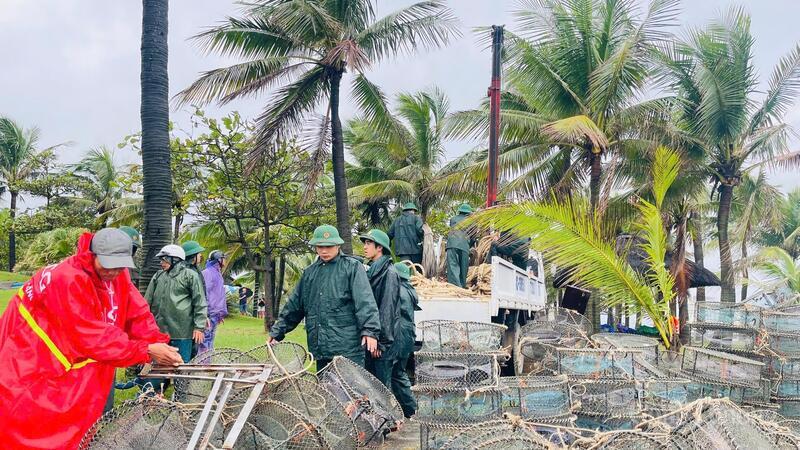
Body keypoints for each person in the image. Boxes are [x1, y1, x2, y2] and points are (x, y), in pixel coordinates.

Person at [0, 228, 182, 449]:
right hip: (30, 349)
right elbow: (92, 337)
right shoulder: (68, 279)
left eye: (119, 266)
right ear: (92, 254)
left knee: (78, 413)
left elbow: (136, 311)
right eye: (108, 265)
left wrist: (156, 340)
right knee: (30, 412)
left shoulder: (116, 272)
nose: (113, 272)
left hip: (68, 345)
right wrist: (146, 351)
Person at [269, 225, 381, 371]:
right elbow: (294, 306)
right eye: (320, 246)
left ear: (337, 245)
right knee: (325, 390)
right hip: (320, 347)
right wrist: (277, 331)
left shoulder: (352, 267)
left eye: (329, 246)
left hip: (348, 347)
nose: (324, 250)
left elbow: (365, 301)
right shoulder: (309, 273)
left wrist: (370, 331)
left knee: (352, 391)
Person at [144, 244, 208, 365]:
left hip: (182, 332)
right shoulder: (158, 276)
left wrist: (199, 327)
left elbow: (199, 301)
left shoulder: (189, 275)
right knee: (158, 366)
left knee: (181, 365)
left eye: (164, 259)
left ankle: (181, 383)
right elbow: (146, 301)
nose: (161, 262)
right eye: (161, 259)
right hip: (160, 331)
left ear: (176, 259)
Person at [359, 229, 401, 386]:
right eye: (365, 243)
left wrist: (380, 342)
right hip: (372, 340)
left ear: (379, 248)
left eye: (369, 243)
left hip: (381, 343)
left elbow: (387, 309)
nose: (365, 247)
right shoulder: (373, 270)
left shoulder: (389, 273)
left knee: (381, 389)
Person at [392, 262, 421, 418]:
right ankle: (409, 409)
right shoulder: (410, 290)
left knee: (396, 373)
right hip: (407, 337)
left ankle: (411, 409)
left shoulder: (398, 290)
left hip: (398, 338)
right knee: (399, 373)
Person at [199, 250, 229, 355]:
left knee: (210, 340)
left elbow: (219, 295)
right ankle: (202, 366)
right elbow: (204, 293)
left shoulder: (218, 273)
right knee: (205, 341)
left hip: (215, 314)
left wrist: (220, 313)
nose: (225, 260)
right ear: (218, 259)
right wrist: (205, 313)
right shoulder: (208, 273)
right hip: (209, 313)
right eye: (223, 258)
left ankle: (207, 365)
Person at [446, 203, 475, 288]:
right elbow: (473, 236)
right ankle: (461, 286)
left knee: (453, 265)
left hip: (452, 244)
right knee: (464, 266)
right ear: (468, 212)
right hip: (464, 245)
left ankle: (455, 286)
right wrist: (470, 245)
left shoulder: (453, 219)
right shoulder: (472, 221)